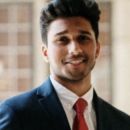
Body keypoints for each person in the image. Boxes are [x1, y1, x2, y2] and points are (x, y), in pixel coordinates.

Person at [0, 0, 130, 129]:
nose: (75, 49)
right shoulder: (16, 114)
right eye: (62, 39)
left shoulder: (123, 123)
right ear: (45, 53)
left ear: (97, 49)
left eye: (83, 38)